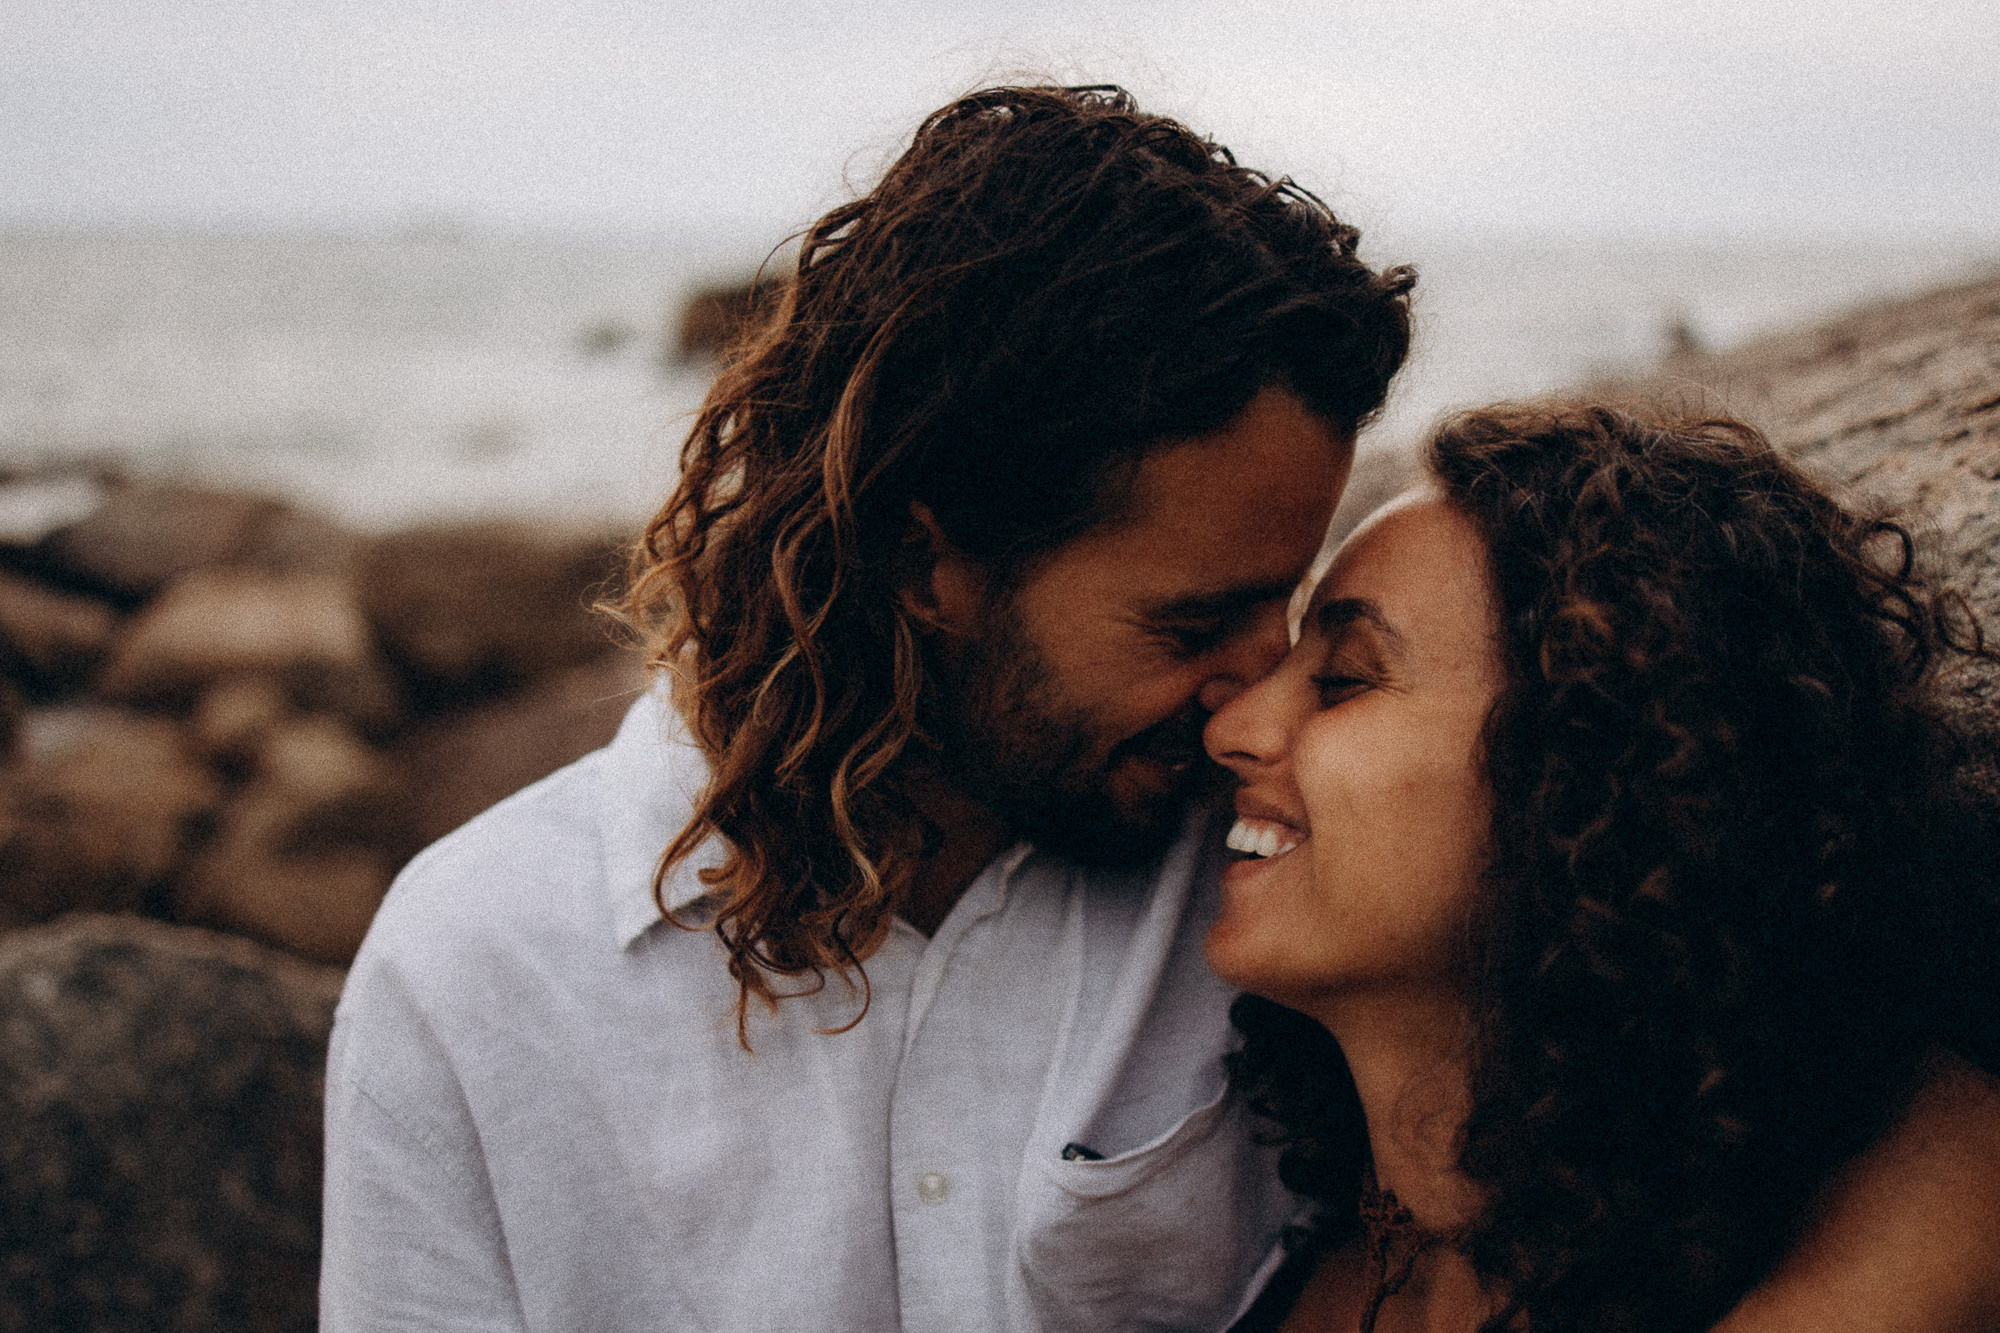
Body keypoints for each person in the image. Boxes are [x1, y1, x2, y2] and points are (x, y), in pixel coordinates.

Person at [322, 87, 2000, 1330]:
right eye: (1197, 619)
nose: (1245, 698)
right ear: (930, 555)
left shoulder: (1264, 884)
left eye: (1299, 627)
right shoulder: (476, 975)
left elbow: (1897, 1118)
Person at [1208, 401, 2000, 1332]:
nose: (1231, 728)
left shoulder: (1907, 1217)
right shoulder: (1294, 1253)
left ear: (1591, 774)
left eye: (1345, 677)